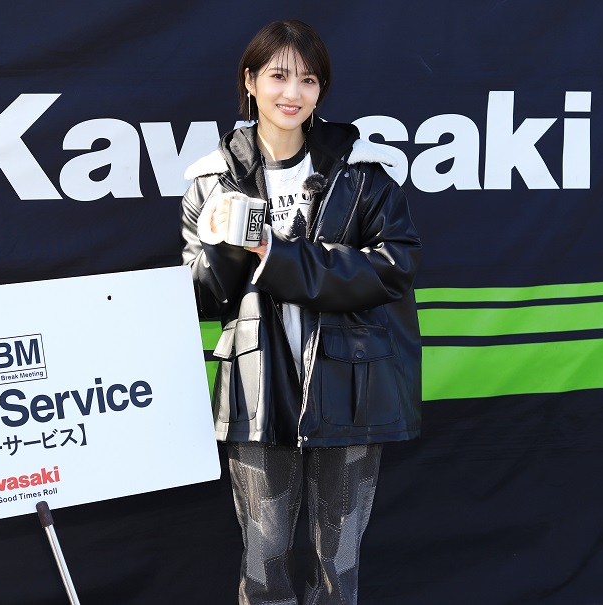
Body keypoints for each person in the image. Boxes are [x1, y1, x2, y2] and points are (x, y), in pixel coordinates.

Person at [180, 19, 422, 605]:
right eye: (278, 75)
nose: (293, 92)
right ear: (250, 81)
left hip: (350, 385)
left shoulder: (362, 172)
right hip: (258, 391)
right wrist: (224, 250)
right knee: (263, 564)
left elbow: (393, 269)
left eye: (308, 80)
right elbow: (201, 297)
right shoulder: (211, 181)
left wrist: (277, 254)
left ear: (321, 90)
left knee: (338, 568)